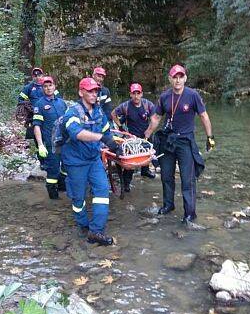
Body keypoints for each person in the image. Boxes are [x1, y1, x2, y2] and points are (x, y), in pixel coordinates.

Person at [151, 64, 214, 229]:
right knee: (166, 176)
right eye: (174, 77)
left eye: (181, 76)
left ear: (185, 78)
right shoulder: (164, 97)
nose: (178, 80)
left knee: (188, 180)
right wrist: (145, 136)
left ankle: (189, 213)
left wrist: (210, 137)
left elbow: (203, 116)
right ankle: (168, 205)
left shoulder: (193, 95)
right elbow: (156, 118)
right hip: (167, 142)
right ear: (170, 79)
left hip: (185, 141)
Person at [61, 77, 121, 245]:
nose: (94, 94)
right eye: (90, 91)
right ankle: (83, 225)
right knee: (78, 198)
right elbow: (77, 133)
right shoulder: (72, 113)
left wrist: (115, 145)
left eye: (96, 91)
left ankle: (96, 231)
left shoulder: (99, 112)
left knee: (102, 191)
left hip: (93, 159)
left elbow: (106, 132)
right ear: (81, 92)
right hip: (75, 162)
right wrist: (102, 138)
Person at [112, 83, 158, 192]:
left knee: (147, 155)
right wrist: (120, 126)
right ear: (130, 94)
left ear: (142, 94)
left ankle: (145, 171)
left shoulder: (148, 105)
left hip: (146, 135)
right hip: (131, 138)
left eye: (138, 93)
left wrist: (149, 131)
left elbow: (154, 120)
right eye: (134, 93)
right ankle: (126, 183)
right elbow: (113, 114)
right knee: (131, 164)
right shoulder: (125, 106)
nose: (136, 96)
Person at [32, 76, 68, 199]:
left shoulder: (61, 103)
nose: (48, 88)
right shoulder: (39, 105)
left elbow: (69, 121)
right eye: (45, 86)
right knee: (53, 172)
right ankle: (53, 200)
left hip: (64, 142)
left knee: (66, 167)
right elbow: (36, 126)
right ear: (42, 88)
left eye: (50, 85)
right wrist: (40, 145)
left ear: (54, 86)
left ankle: (63, 190)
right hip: (51, 144)